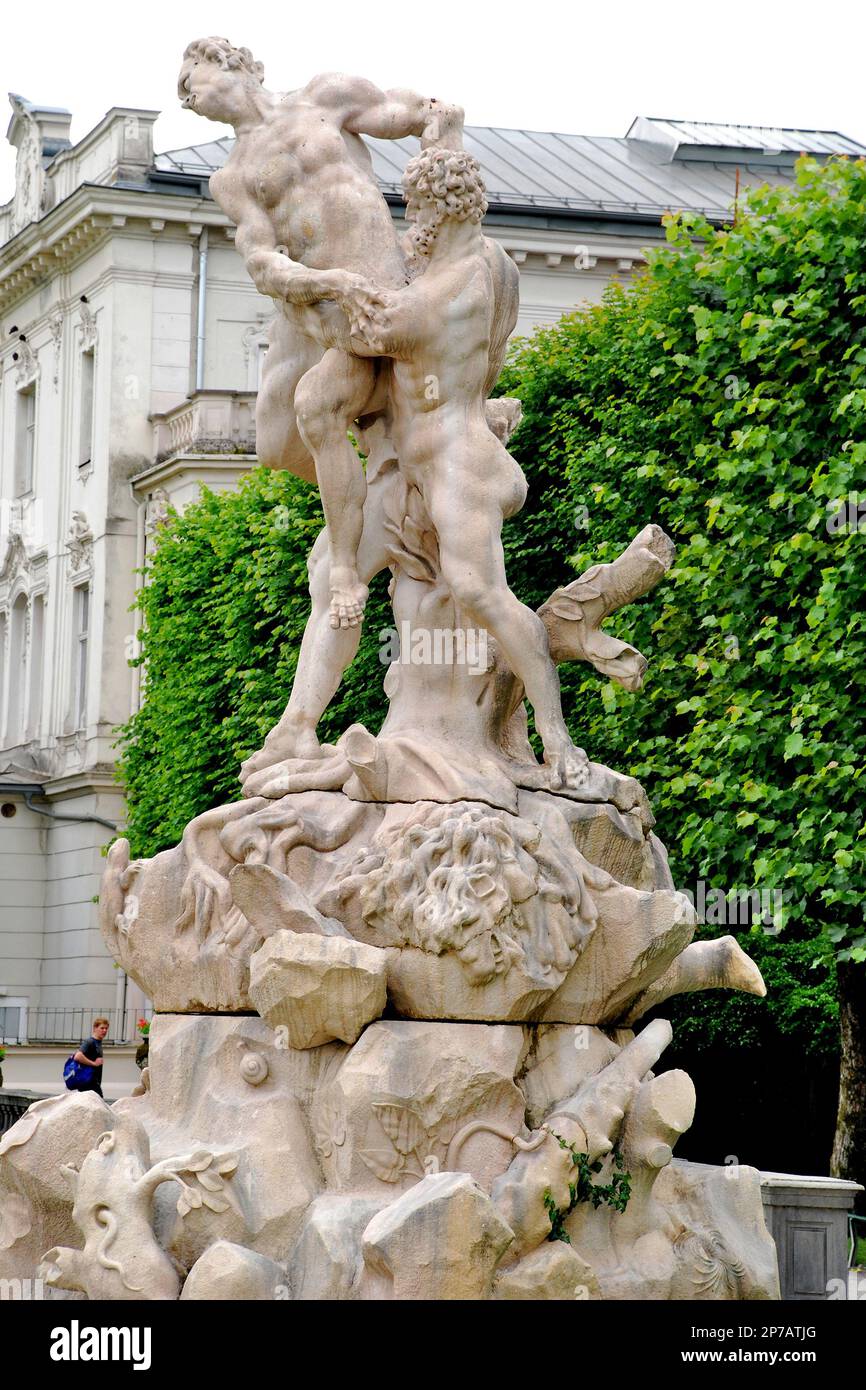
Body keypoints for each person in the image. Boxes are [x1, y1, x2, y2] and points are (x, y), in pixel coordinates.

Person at [178, 36, 463, 632]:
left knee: (327, 408)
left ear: (234, 65)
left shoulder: (324, 96)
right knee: (288, 433)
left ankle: (355, 550)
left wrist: (439, 124)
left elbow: (403, 112)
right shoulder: (232, 177)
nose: (186, 93)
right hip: (334, 307)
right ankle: (358, 534)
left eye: (192, 75)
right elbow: (261, 262)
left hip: (390, 286)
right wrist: (325, 281)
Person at [341, 148, 590, 791]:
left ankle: (555, 736)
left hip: (457, 460)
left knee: (480, 591)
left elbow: (371, 329)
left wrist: (302, 277)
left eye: (416, 206)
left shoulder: (452, 284)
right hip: (414, 467)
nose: (410, 219)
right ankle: (302, 729)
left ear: (442, 209)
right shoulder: (480, 262)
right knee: (339, 574)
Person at [72, 1018, 109, 1097]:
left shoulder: (98, 1043)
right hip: (88, 1083)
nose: (104, 1031)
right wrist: (94, 1063)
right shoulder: (90, 1042)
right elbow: (77, 1056)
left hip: (94, 1083)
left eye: (106, 1028)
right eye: (102, 1028)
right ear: (95, 1028)